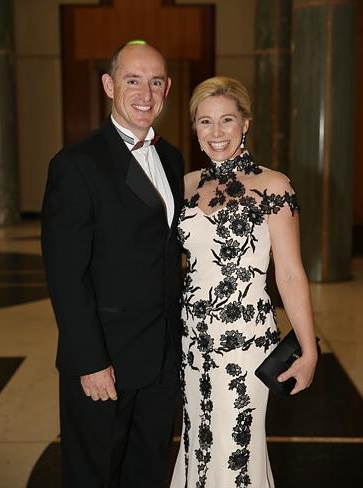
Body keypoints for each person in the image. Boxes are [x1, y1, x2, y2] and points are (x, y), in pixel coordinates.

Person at [41, 40, 184, 488]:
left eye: (156, 81)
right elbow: (66, 274)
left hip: (162, 357)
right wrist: (89, 360)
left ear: (167, 89)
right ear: (108, 85)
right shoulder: (77, 165)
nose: (146, 92)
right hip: (107, 359)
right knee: (95, 474)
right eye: (132, 80)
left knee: (147, 468)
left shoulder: (172, 158)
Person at [170, 76, 318, 487]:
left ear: (246, 124)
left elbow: (289, 273)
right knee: (198, 443)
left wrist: (308, 351)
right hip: (192, 341)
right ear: (194, 127)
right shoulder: (184, 185)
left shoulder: (274, 185)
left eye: (227, 120)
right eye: (205, 122)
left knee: (236, 450)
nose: (216, 133)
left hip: (244, 342)